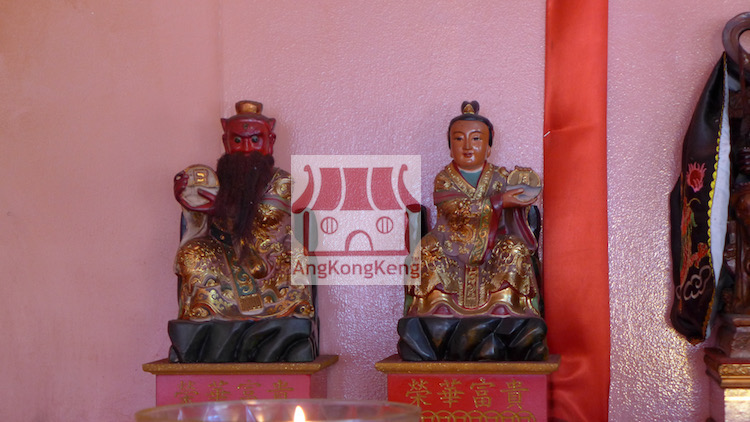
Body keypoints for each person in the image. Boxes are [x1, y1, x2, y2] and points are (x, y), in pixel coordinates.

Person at [173, 101, 314, 321]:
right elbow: (201, 226)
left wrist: (220, 208)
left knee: (298, 258)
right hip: (224, 255)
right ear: (226, 142)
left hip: (271, 261)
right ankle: (205, 310)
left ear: (270, 141)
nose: (247, 149)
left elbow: (270, 221)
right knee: (190, 254)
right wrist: (189, 202)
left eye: (255, 140)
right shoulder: (215, 183)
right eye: (238, 141)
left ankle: (285, 314)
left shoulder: (282, 182)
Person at [405, 101, 542, 317]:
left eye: (476, 139)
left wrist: (521, 190)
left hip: (494, 240)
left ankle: (505, 303)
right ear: (450, 146)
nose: (467, 146)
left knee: (515, 250)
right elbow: (454, 210)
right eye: (459, 139)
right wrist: (499, 202)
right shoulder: (444, 178)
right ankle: (436, 305)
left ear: (489, 147)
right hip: (449, 240)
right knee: (426, 251)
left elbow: (517, 205)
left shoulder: (500, 177)